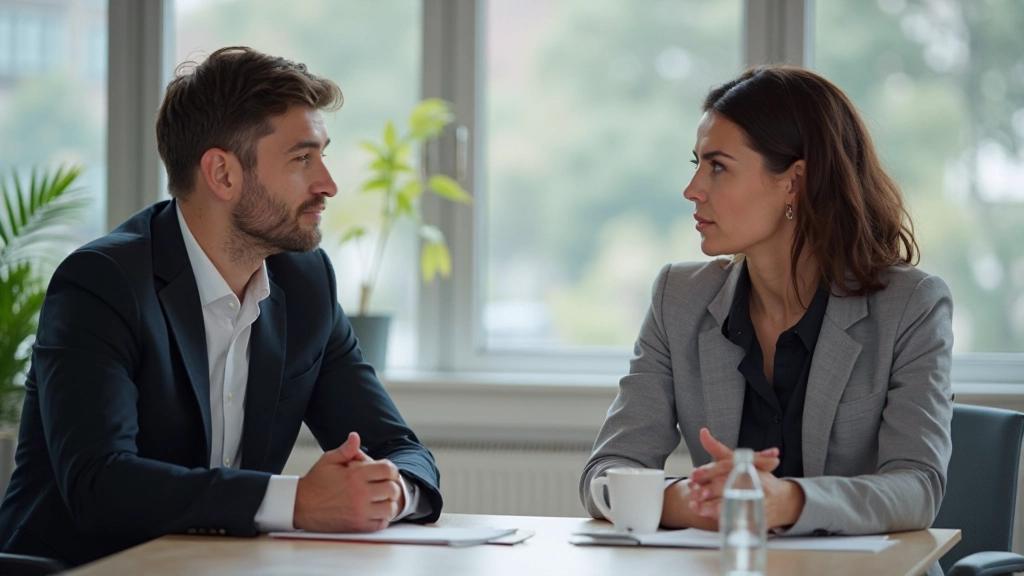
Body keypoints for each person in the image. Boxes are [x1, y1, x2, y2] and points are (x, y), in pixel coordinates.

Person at [0, 46, 442, 567]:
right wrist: (297, 501)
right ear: (223, 174)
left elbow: (402, 450)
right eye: (303, 158)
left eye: (324, 154)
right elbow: (101, 484)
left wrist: (389, 492)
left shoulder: (305, 283)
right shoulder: (102, 283)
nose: (328, 183)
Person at [580, 65, 952, 576]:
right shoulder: (678, 298)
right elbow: (605, 472)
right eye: (697, 164)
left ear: (793, 182)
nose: (692, 189)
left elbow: (916, 487)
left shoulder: (911, 305)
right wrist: (688, 501)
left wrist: (786, 501)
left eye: (717, 167)